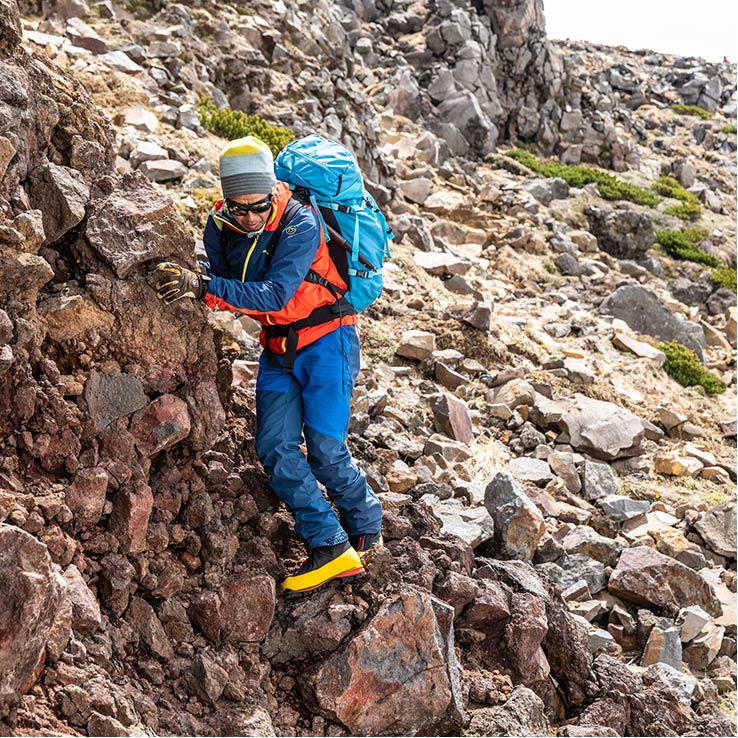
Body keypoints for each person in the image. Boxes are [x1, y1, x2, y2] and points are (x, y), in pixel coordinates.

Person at [153, 135, 383, 595]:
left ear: (272, 189)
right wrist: (198, 280)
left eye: (260, 206)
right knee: (275, 446)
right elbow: (223, 279)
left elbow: (275, 294)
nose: (252, 217)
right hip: (278, 350)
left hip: (329, 342)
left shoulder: (301, 222)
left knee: (325, 449)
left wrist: (202, 287)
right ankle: (330, 545)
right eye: (241, 210)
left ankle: (366, 522)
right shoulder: (219, 226)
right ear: (225, 201)